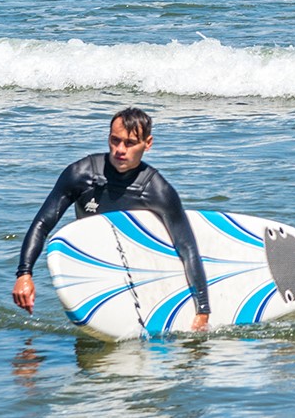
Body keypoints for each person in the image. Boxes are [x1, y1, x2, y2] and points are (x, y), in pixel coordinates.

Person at [12, 107, 210, 332]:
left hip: (138, 276)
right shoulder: (81, 174)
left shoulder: (158, 191)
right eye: (115, 141)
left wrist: (202, 310)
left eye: (130, 143)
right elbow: (42, 224)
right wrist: (24, 274)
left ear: (148, 143)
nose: (120, 150)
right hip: (92, 274)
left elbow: (187, 248)